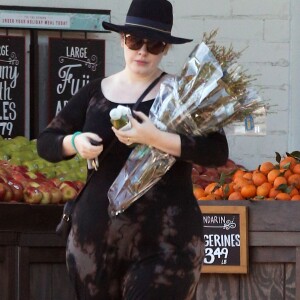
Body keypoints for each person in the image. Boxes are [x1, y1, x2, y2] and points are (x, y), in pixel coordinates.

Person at [37, 0, 229, 299]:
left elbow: (216, 152)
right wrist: (75, 143)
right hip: (95, 240)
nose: (142, 51)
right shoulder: (94, 92)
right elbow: (47, 142)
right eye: (134, 40)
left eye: (154, 44)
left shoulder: (183, 95)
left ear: (165, 48)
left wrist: (155, 137)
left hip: (166, 240)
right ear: (122, 40)